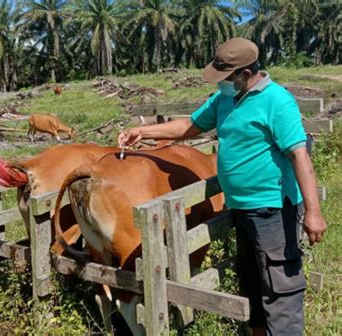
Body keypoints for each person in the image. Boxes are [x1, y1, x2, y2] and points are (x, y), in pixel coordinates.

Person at [118, 37, 327, 336]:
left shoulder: (277, 101)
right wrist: (142, 131)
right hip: (242, 208)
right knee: (253, 280)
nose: (220, 84)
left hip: (273, 210)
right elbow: (189, 126)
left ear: (244, 73)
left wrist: (313, 212)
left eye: (225, 78)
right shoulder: (226, 99)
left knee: (280, 286)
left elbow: (299, 155)